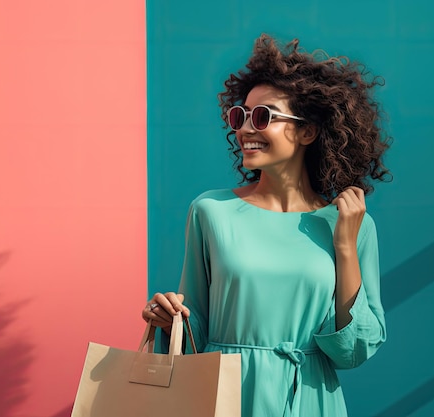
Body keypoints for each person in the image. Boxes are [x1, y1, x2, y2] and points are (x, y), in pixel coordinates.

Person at [141, 34, 391, 417]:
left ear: (307, 131)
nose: (245, 129)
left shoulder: (352, 224)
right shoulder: (211, 211)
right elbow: (196, 335)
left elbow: (353, 351)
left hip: (310, 400)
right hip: (224, 397)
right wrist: (169, 318)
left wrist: (344, 246)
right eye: (240, 116)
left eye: (263, 117)